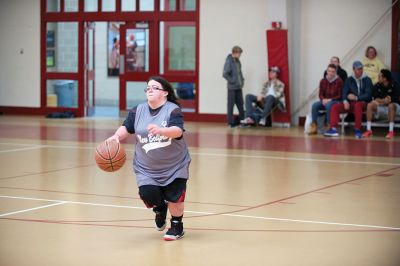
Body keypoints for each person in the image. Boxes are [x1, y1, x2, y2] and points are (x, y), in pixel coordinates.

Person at [107, 76, 191, 241]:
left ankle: (176, 226)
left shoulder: (172, 110)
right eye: (148, 88)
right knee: (148, 194)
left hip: (175, 165)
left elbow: (178, 131)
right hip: (146, 167)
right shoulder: (138, 110)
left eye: (155, 87)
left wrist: (161, 130)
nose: (150, 90)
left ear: (165, 93)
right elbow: (127, 127)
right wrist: (116, 137)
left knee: (176, 200)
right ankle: (160, 208)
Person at [324, 60, 373, 138]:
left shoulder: (367, 80)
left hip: (363, 103)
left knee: (358, 105)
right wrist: (345, 100)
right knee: (335, 107)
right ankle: (333, 129)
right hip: (351, 103)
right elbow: (344, 92)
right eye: (358, 69)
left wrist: (356, 97)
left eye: (361, 69)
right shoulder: (349, 80)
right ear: (353, 69)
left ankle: (357, 129)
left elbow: (368, 95)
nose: (360, 71)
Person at [362, 69, 400, 139]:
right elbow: (375, 98)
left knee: (391, 105)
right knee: (370, 105)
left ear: (385, 78)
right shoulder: (377, 85)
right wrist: (383, 100)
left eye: (379, 76)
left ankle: (391, 131)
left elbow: (397, 98)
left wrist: (389, 100)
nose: (378, 78)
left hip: (394, 108)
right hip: (382, 106)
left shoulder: (395, 84)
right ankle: (368, 130)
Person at [309, 64, 343, 135]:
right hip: (325, 100)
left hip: (335, 101)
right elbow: (320, 94)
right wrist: (323, 99)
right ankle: (314, 126)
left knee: (328, 105)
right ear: (327, 71)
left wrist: (329, 100)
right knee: (315, 105)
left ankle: (329, 126)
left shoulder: (339, 81)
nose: (330, 73)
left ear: (335, 72)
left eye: (333, 71)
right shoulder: (323, 81)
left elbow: (339, 95)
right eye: (329, 71)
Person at [223, 45, 245, 128]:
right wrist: (233, 81)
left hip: (239, 87)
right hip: (232, 88)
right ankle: (230, 122)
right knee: (231, 105)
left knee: (241, 104)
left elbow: (240, 73)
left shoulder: (238, 61)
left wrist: (242, 81)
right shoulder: (229, 61)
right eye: (239, 53)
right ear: (235, 52)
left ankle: (242, 121)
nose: (240, 55)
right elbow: (225, 74)